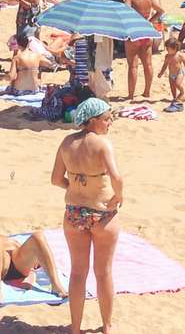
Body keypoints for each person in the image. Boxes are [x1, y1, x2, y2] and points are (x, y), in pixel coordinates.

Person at [51, 98, 123, 334]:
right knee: (104, 273)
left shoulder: (66, 143)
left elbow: (55, 179)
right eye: (106, 118)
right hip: (101, 214)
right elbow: (117, 178)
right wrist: (118, 196)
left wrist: (74, 187)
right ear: (93, 121)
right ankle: (107, 326)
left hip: (74, 213)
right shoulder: (102, 145)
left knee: (77, 272)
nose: (109, 122)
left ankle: (75, 327)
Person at [0, 222, 66, 304]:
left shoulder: (10, 240)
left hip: (18, 264)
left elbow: (35, 260)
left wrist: (35, 263)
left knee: (37, 236)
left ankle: (56, 285)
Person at [123, 0, 160, 99]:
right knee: (148, 64)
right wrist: (150, 21)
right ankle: (147, 92)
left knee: (133, 65)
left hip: (134, 32)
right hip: (146, 31)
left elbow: (124, 13)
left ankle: (131, 95)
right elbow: (161, 11)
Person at [157, 37, 185, 110]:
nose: (167, 50)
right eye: (166, 48)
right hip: (171, 74)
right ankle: (175, 98)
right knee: (172, 87)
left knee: (177, 84)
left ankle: (182, 93)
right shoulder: (167, 56)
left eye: (168, 48)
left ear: (175, 48)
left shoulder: (179, 55)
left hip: (179, 73)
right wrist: (161, 73)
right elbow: (165, 65)